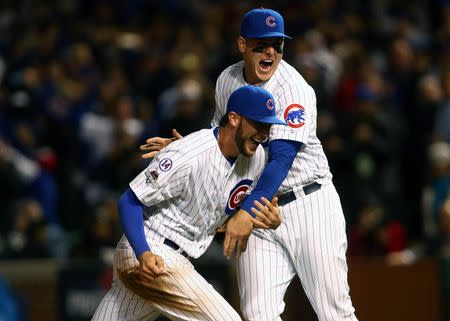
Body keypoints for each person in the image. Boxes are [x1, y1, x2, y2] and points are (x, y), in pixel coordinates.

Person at [141, 8, 359, 321]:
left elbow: (280, 160)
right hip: (258, 207)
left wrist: (244, 213)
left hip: (308, 203)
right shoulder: (227, 80)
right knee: (258, 313)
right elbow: (224, 139)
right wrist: (187, 147)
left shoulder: (292, 89)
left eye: (278, 45)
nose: (271, 52)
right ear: (242, 44)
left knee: (333, 311)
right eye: (261, 44)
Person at [91, 85, 284, 321]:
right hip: (152, 249)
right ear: (234, 118)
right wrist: (143, 253)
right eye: (258, 124)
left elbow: (225, 210)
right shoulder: (190, 153)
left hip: (171, 255)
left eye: (268, 127)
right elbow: (129, 201)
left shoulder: (255, 158)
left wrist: (265, 219)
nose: (263, 133)